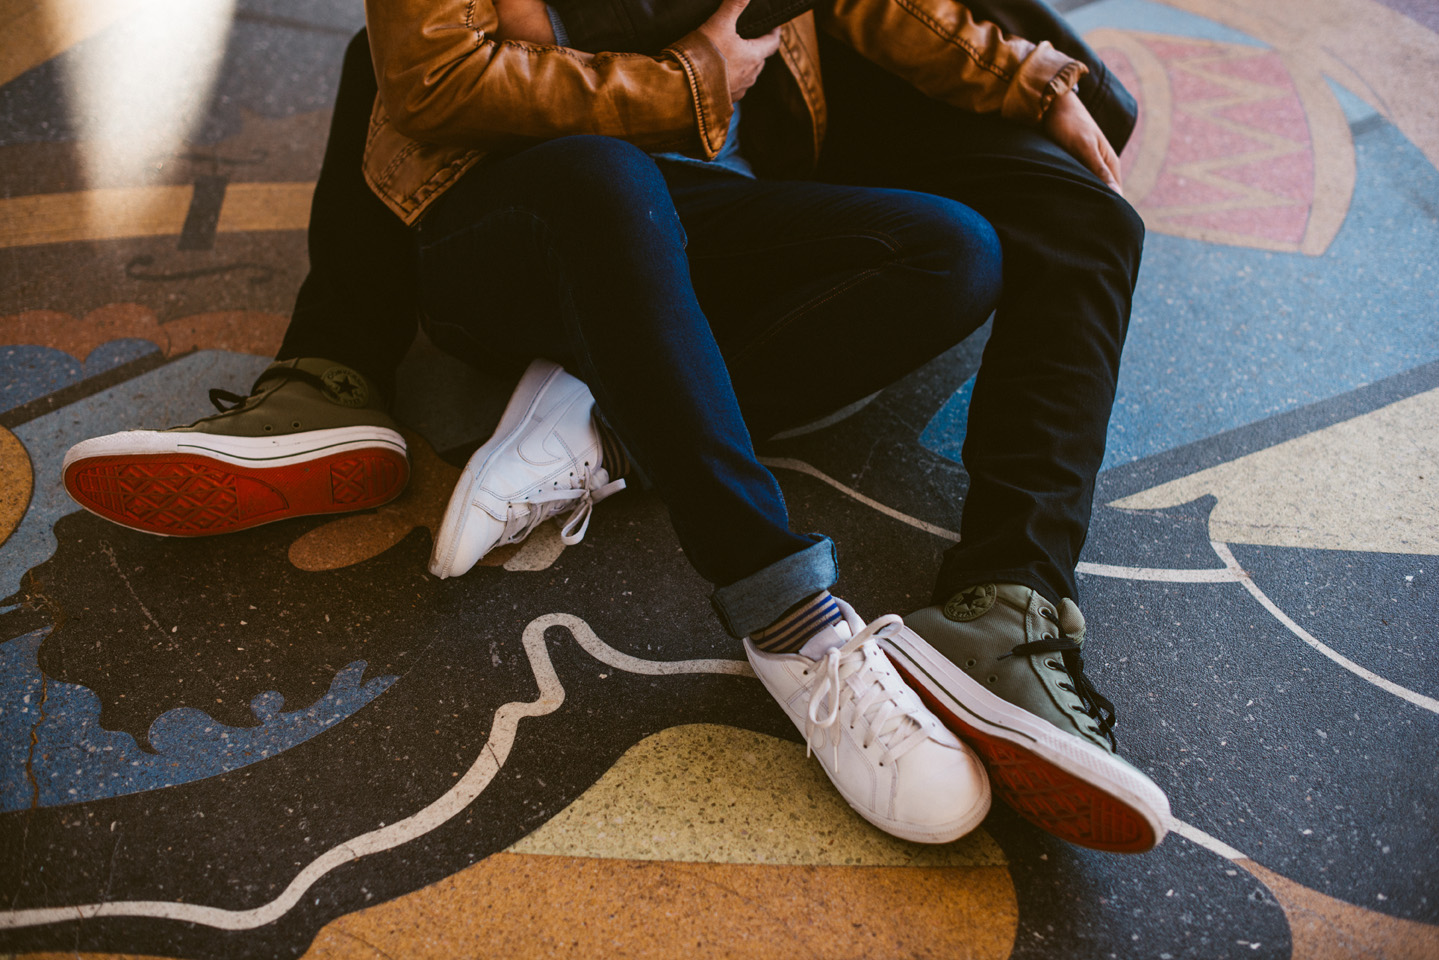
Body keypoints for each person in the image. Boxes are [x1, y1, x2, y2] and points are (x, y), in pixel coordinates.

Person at [64, 0, 1170, 851]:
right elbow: (432, 79)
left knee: (954, 249)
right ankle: (795, 628)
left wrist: (1025, 75)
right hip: (525, 223)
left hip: (709, 207)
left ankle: (612, 420)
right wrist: (682, 84)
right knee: (600, 182)